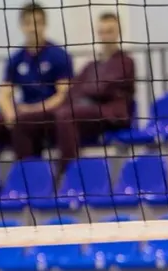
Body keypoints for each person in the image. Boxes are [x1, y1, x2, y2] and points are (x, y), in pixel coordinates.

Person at [0, 2, 73, 163]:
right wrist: (9, 113)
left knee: (23, 123)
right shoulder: (16, 58)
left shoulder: (59, 55)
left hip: (49, 115)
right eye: (28, 23)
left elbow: (62, 96)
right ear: (22, 26)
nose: (33, 28)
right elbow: (4, 94)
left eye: (37, 23)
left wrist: (32, 109)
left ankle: (29, 173)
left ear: (45, 24)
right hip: (21, 114)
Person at [54, 12, 136, 172]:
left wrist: (86, 90)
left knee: (66, 115)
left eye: (109, 31)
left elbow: (102, 89)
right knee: (42, 118)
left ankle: (67, 172)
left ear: (118, 32)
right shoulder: (91, 66)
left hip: (111, 116)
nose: (105, 37)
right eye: (102, 32)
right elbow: (73, 92)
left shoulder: (126, 62)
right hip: (87, 113)